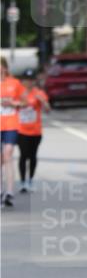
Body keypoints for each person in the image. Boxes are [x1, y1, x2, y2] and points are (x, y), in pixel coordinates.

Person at [17, 68, 50, 192]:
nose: (29, 83)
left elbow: (48, 109)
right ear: (23, 81)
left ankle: (30, 180)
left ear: (34, 81)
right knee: (23, 155)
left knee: (33, 156)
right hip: (21, 130)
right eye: (27, 80)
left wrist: (43, 102)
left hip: (36, 131)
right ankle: (22, 182)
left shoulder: (39, 93)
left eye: (31, 80)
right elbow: (12, 105)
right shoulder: (19, 93)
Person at [1, 57, 25, 208]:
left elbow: (24, 102)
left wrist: (12, 103)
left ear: (5, 67)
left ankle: (9, 192)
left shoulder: (14, 83)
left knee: (8, 153)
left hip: (11, 124)